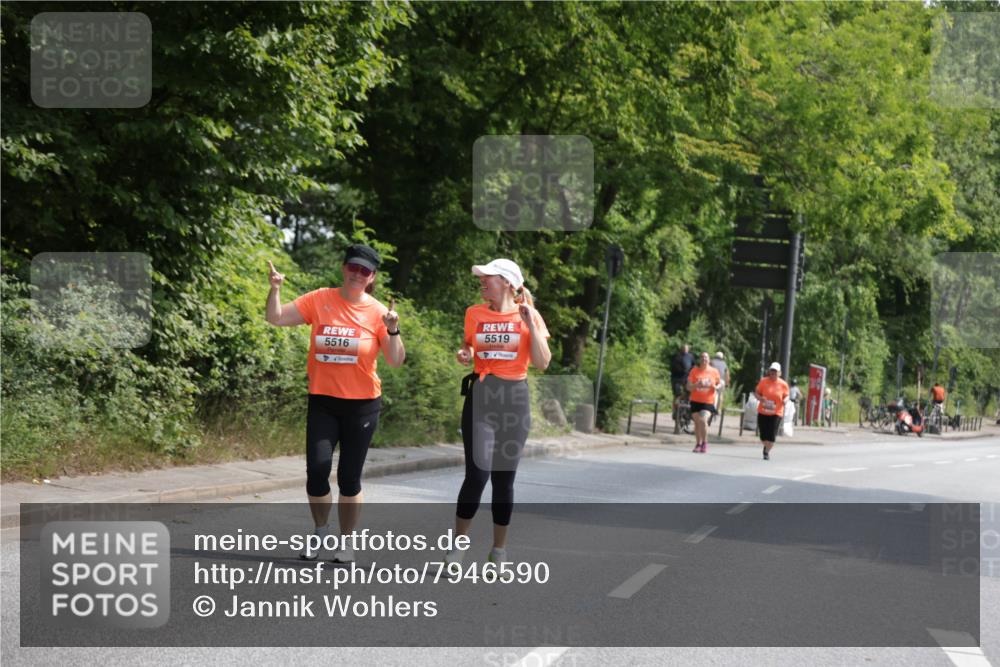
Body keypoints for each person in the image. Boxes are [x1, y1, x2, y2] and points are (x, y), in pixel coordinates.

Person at [266, 244, 406, 563]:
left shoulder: (379, 312)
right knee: (316, 471)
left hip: (362, 406)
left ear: (372, 278)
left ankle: (347, 542)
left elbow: (396, 361)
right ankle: (319, 532)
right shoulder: (320, 299)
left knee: (348, 478)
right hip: (324, 401)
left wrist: (393, 329)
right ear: (344, 268)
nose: (357, 275)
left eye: (365, 271)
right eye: (353, 268)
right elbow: (275, 317)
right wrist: (275, 290)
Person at [445, 258, 551, 567]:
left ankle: (499, 551)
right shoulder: (473, 314)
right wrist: (466, 353)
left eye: (487, 277)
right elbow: (470, 345)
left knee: (504, 480)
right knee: (477, 475)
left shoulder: (529, 315)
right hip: (482, 397)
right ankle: (458, 546)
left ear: (506, 282)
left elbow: (543, 363)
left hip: (514, 400)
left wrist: (530, 322)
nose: (481, 282)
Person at [687, 352, 722, 453]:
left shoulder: (714, 371)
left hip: (708, 401)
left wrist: (716, 387)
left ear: (709, 360)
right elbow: (688, 387)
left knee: (703, 420)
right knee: (697, 423)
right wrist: (696, 385)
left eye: (706, 357)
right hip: (695, 400)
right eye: (702, 357)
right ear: (699, 359)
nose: (704, 359)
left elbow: (720, 383)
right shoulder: (694, 371)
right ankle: (698, 444)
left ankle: (704, 443)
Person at [754, 362, 789, 461]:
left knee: (772, 435)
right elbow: (756, 393)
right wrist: (761, 399)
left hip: (776, 412)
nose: (773, 373)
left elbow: (786, 395)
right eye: (772, 371)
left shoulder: (783, 384)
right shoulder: (763, 381)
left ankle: (766, 451)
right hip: (763, 411)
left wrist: (785, 400)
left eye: (775, 371)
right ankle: (766, 446)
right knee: (763, 436)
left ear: (779, 373)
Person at [670, 344, 695, 433]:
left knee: (688, 395)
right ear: (681, 349)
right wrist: (682, 370)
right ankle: (675, 410)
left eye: (686, 348)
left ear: (688, 349)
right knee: (677, 395)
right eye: (683, 348)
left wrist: (691, 374)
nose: (685, 349)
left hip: (687, 379)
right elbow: (673, 367)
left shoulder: (691, 356)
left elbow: (693, 366)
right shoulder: (676, 356)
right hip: (677, 379)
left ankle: (686, 413)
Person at [709, 351, 731, 417]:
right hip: (721, 381)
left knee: (711, 394)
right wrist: (727, 383)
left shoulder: (711, 362)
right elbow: (727, 374)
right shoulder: (724, 363)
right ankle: (719, 410)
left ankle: (710, 407)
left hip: (713, 380)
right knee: (720, 395)